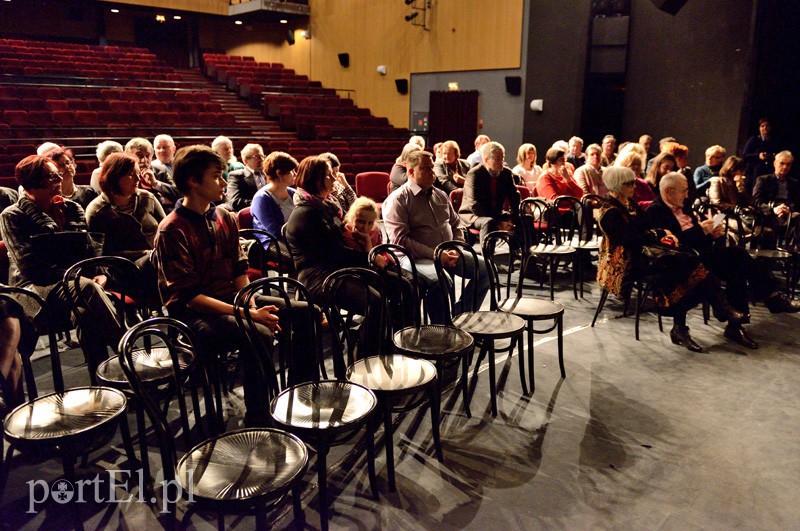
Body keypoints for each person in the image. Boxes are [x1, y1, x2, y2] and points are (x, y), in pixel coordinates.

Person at [153, 145, 311, 426]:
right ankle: (259, 417)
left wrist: (249, 304)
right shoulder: (172, 228)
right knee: (259, 333)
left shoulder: (225, 217)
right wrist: (250, 315)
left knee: (304, 311)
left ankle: (300, 394)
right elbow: (189, 297)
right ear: (193, 181)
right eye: (216, 176)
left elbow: (239, 271)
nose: (223, 183)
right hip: (195, 314)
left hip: (231, 300)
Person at [645, 172, 800, 349]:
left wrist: (713, 234)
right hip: (679, 262)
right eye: (683, 191)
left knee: (738, 261)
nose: (687, 195)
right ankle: (769, 299)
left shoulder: (684, 205)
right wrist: (701, 231)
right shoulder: (655, 212)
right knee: (736, 260)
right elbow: (671, 245)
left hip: (701, 254)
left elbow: (698, 239)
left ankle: (738, 323)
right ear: (668, 191)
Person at [595, 167, 743, 352]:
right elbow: (630, 240)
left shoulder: (629, 203)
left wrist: (657, 234)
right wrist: (657, 234)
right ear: (617, 186)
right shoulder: (609, 212)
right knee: (686, 265)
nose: (634, 186)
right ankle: (717, 308)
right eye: (629, 183)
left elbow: (644, 229)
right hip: (625, 263)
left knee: (687, 266)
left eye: (634, 181)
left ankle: (685, 324)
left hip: (646, 254)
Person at [0, 155, 123, 373]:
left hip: (74, 284)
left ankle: (105, 380)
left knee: (84, 314)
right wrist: (80, 276)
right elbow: (31, 267)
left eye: (58, 175)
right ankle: (128, 353)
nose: (59, 179)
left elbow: (89, 249)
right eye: (52, 176)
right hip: (34, 288)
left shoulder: (71, 208)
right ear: (32, 182)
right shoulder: (13, 216)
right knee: (87, 288)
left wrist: (99, 273)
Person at [284, 156, 382, 353]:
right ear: (316, 179)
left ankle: (381, 345)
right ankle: (363, 355)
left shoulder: (324, 206)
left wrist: (368, 253)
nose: (334, 179)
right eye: (329, 176)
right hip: (318, 277)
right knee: (375, 302)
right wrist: (368, 259)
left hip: (333, 269)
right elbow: (333, 254)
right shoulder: (307, 213)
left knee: (392, 284)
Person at [383, 150, 489, 324]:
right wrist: (436, 254)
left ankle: (458, 315)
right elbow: (401, 241)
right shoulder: (398, 200)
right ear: (411, 172)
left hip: (448, 252)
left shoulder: (440, 195)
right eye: (426, 169)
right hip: (414, 257)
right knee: (440, 281)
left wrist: (456, 247)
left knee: (485, 271)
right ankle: (441, 330)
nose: (433, 173)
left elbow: (456, 224)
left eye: (432, 168)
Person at [85, 152, 165, 306]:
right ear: (114, 177)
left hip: (156, 260)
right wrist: (145, 254)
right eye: (130, 175)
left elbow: (166, 230)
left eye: (138, 173)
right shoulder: (97, 210)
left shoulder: (147, 198)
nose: (138, 179)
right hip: (123, 267)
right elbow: (99, 254)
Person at [459, 141, 521, 245]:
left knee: (525, 218)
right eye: (498, 159)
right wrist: (499, 223)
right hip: (473, 215)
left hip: (495, 213)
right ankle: (487, 258)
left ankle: (524, 255)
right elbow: (475, 206)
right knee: (489, 222)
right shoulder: (474, 174)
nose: (502, 162)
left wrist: (512, 218)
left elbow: (515, 197)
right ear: (487, 160)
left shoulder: (506, 173)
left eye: (503, 158)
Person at [752, 150, 800, 244]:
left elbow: (797, 202)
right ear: (774, 163)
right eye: (782, 163)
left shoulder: (794, 183)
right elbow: (756, 201)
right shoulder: (764, 180)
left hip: (788, 211)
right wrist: (773, 209)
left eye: (788, 164)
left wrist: (789, 210)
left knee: (796, 218)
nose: (785, 167)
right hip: (770, 212)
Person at [251, 151, 298, 241]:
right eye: (291, 171)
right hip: (272, 242)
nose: (295, 174)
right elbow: (275, 232)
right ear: (279, 173)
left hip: (293, 239)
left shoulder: (293, 193)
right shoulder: (262, 199)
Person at [125, 137, 180, 212]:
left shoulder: (161, 170)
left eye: (147, 156)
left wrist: (156, 183)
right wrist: (161, 200)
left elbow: (180, 194)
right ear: (128, 155)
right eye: (139, 156)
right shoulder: (124, 173)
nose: (144, 160)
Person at [226, 143, 267, 212]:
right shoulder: (237, 176)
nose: (262, 160)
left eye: (263, 156)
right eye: (258, 157)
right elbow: (235, 202)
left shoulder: (268, 174)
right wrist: (262, 204)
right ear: (246, 161)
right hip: (250, 215)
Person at [742, 118, 778, 194]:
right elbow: (745, 155)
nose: (765, 128)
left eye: (767, 126)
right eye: (762, 126)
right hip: (754, 172)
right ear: (759, 128)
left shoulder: (773, 141)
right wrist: (758, 156)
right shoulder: (753, 140)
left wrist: (773, 156)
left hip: (768, 171)